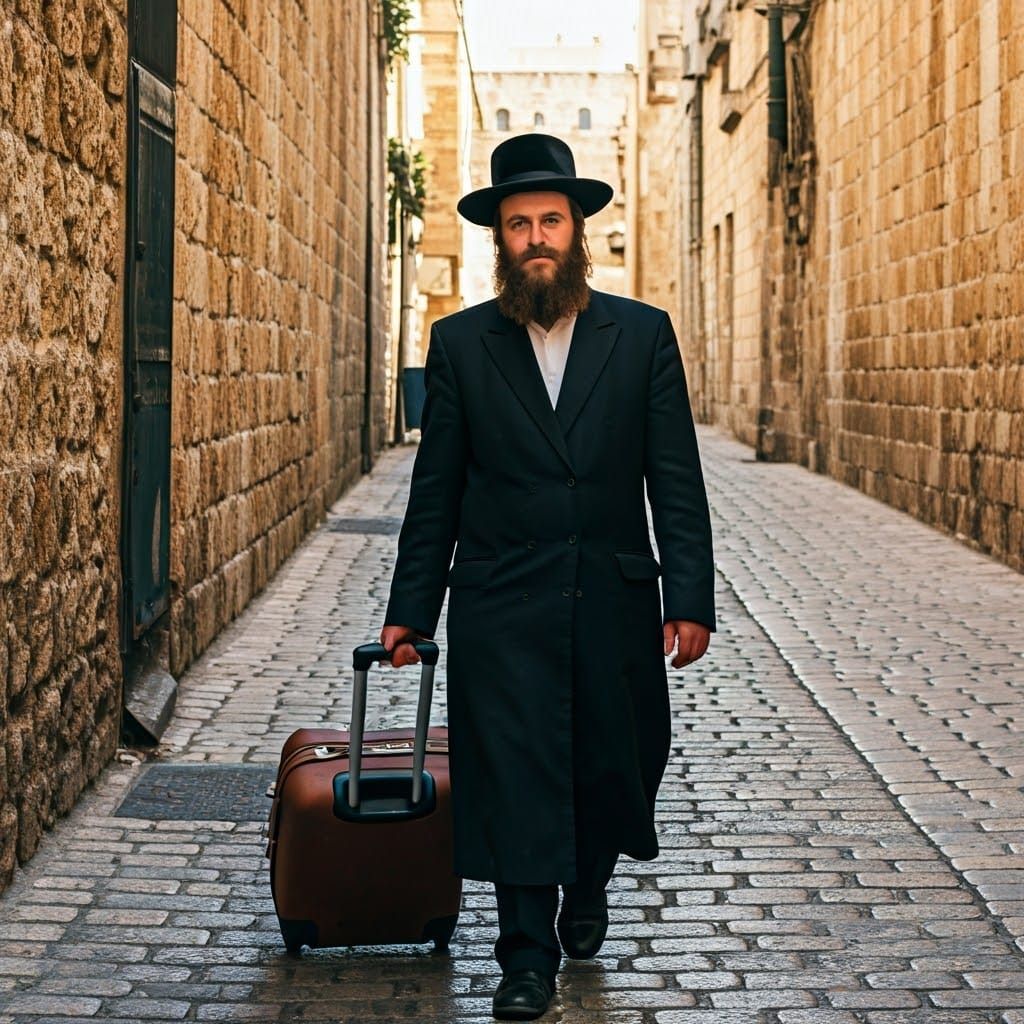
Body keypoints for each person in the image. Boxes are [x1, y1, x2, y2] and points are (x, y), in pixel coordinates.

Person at [380, 133, 715, 1021]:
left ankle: (589, 882)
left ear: (578, 232)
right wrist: (411, 610)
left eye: (551, 221)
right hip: (501, 601)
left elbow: (674, 479)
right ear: (502, 238)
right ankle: (523, 956)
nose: (536, 237)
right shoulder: (458, 344)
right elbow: (436, 490)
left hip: (610, 594)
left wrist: (689, 599)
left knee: (617, 759)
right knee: (516, 773)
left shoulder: (641, 337)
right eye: (519, 223)